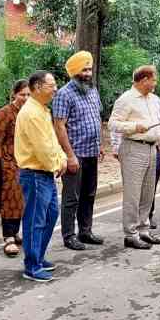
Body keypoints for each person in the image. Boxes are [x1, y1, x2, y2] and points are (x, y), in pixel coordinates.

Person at [14, 71, 66, 282]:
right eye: (50, 85)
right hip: (35, 173)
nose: (55, 89)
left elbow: (52, 141)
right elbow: (42, 149)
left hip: (45, 173)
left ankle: (38, 256)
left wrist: (61, 157)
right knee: (35, 219)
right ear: (36, 88)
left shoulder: (42, 110)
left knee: (51, 215)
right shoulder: (32, 113)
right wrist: (57, 164)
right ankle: (32, 266)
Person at [109, 65, 160, 250]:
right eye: (154, 80)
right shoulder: (126, 99)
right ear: (144, 80)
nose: (155, 83)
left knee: (148, 192)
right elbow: (113, 123)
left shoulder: (155, 100)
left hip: (152, 149)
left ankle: (144, 229)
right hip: (134, 148)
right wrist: (134, 126)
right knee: (133, 193)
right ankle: (130, 233)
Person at [53, 51, 104, 251]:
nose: (88, 73)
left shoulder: (92, 90)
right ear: (74, 72)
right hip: (75, 154)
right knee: (71, 197)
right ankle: (69, 236)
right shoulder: (63, 94)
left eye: (90, 69)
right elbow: (59, 126)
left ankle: (85, 231)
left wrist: (100, 145)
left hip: (91, 151)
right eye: (84, 69)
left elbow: (98, 118)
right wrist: (70, 155)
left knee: (89, 194)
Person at [0, 80, 30, 257]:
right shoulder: (4, 113)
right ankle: (8, 237)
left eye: (28, 95)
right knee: (10, 198)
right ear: (14, 94)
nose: (25, 98)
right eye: (22, 94)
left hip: (26, 159)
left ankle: (16, 232)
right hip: (8, 160)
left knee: (23, 198)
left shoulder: (31, 112)